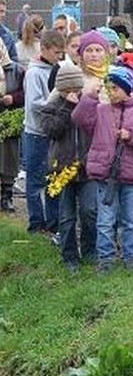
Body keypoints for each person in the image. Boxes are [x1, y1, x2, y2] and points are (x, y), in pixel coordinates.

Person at [72, 66, 133, 272]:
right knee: (105, 220)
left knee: (131, 221)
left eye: (115, 88)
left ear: (126, 89)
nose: (111, 92)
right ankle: (105, 260)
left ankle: (131, 260)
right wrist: (90, 96)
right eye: (108, 88)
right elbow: (78, 118)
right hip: (106, 175)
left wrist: (132, 135)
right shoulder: (99, 110)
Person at [41, 62, 93, 269]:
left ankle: (90, 250)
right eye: (67, 89)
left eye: (75, 89)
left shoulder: (89, 103)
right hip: (61, 168)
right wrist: (68, 108)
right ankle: (69, 256)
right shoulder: (51, 107)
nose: (72, 93)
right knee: (67, 216)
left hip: (86, 167)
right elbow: (52, 130)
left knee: (90, 211)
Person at [24, 28, 65, 235]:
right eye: (56, 53)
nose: (59, 57)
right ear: (44, 49)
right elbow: (34, 104)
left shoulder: (56, 69)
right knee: (34, 181)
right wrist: (56, 101)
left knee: (53, 179)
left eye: (61, 53)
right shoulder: (34, 73)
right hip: (35, 133)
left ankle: (53, 223)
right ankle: (36, 223)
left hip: (52, 133)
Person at [0, 9, 23, 212]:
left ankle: (6, 194)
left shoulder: (14, 69)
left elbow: (23, 93)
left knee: (9, 155)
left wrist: (12, 98)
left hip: (8, 114)